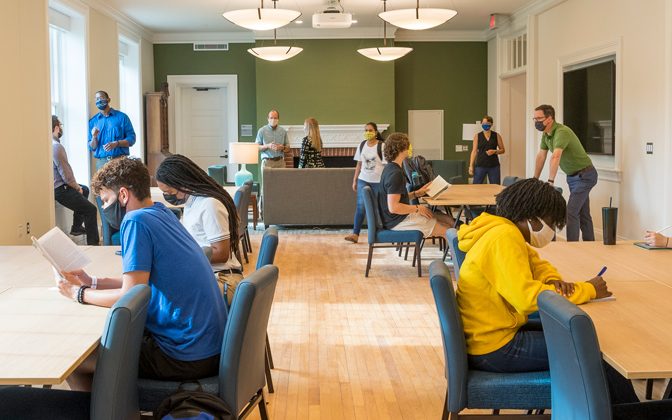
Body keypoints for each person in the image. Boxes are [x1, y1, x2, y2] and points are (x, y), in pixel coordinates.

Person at [455, 178, 647, 406]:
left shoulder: (501, 230)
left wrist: (553, 280)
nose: (552, 230)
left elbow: (535, 263)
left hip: (491, 333)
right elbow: (526, 299)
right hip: (495, 348)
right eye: (550, 223)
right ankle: (632, 412)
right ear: (532, 217)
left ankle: (619, 410)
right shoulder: (502, 238)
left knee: (586, 337)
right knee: (595, 354)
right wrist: (587, 290)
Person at [57, 157, 226, 389]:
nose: (105, 208)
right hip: (209, 346)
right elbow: (140, 281)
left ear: (123, 195)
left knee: (76, 362)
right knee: (111, 341)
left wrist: (79, 293)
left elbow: (131, 295)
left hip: (184, 354)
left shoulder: (135, 221)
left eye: (106, 200)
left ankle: (105, 412)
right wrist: (92, 281)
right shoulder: (162, 213)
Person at [156, 154, 243, 304]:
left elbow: (221, 253)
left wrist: (182, 257)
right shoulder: (191, 203)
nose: (168, 197)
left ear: (182, 183)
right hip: (209, 275)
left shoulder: (209, 204)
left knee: (163, 301)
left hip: (224, 279)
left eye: (170, 193)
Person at [533, 104, 597, 242]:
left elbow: (556, 156)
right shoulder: (546, 135)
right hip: (573, 177)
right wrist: (534, 179)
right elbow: (541, 156)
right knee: (584, 214)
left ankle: (571, 246)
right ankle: (591, 244)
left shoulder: (562, 132)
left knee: (571, 212)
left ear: (549, 118)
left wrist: (550, 181)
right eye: (534, 119)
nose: (536, 122)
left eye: (539, 118)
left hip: (585, 175)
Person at [378, 132, 453, 239]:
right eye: (408, 145)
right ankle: (458, 254)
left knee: (449, 220)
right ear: (401, 149)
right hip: (398, 221)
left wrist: (417, 193)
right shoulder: (395, 174)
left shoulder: (390, 168)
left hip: (398, 217)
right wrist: (418, 208)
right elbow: (394, 207)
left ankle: (453, 253)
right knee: (449, 230)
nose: (410, 147)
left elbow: (397, 197)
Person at [52, 115, 99, 245]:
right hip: (61, 189)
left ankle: (76, 227)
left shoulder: (49, 145)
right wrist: (76, 187)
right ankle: (93, 244)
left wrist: (79, 187)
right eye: (60, 126)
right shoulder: (56, 147)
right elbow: (66, 174)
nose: (61, 129)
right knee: (90, 210)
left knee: (85, 189)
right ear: (56, 127)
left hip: (59, 186)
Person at [344, 122, 386, 244]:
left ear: (376, 132)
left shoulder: (382, 146)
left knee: (379, 207)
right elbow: (359, 164)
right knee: (360, 207)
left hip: (378, 182)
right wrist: (355, 179)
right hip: (363, 179)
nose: (368, 132)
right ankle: (355, 234)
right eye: (366, 130)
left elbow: (386, 165)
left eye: (370, 130)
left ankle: (380, 233)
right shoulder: (362, 145)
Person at [88, 90, 136, 171]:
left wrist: (117, 143)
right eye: (96, 99)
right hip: (101, 163)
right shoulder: (93, 121)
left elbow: (132, 139)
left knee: (122, 183)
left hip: (120, 161)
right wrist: (94, 136)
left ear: (108, 100)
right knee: (102, 184)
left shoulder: (122, 117)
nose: (99, 100)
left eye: (101, 98)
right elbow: (92, 147)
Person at [256, 109, 289, 213]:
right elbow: (256, 147)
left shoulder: (283, 131)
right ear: (268, 119)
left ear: (278, 119)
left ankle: (281, 211)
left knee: (282, 187)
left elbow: (288, 148)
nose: (273, 120)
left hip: (280, 162)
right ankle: (264, 212)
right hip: (267, 162)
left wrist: (282, 148)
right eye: (271, 118)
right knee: (266, 188)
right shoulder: (262, 131)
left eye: (275, 118)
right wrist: (268, 146)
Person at [468, 116, 505, 184]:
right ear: (481, 124)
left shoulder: (497, 135)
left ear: (491, 124)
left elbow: (502, 150)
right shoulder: (477, 136)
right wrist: (471, 166)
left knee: (495, 187)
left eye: (487, 123)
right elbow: (474, 151)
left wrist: (495, 151)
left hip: (494, 166)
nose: (485, 124)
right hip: (480, 165)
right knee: (476, 187)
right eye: (484, 123)